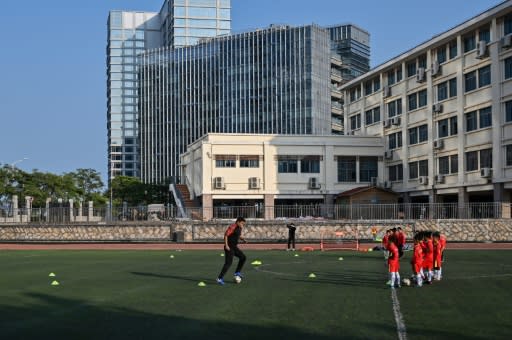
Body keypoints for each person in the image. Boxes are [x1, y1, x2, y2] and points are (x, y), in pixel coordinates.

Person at [216, 217, 247, 285]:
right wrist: (226, 245)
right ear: (238, 222)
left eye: (243, 224)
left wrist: (243, 239)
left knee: (243, 257)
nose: (243, 225)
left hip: (234, 247)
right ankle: (219, 278)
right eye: (242, 223)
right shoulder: (233, 227)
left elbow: (238, 235)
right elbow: (226, 235)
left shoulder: (240, 228)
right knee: (228, 263)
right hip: (229, 247)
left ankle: (237, 272)